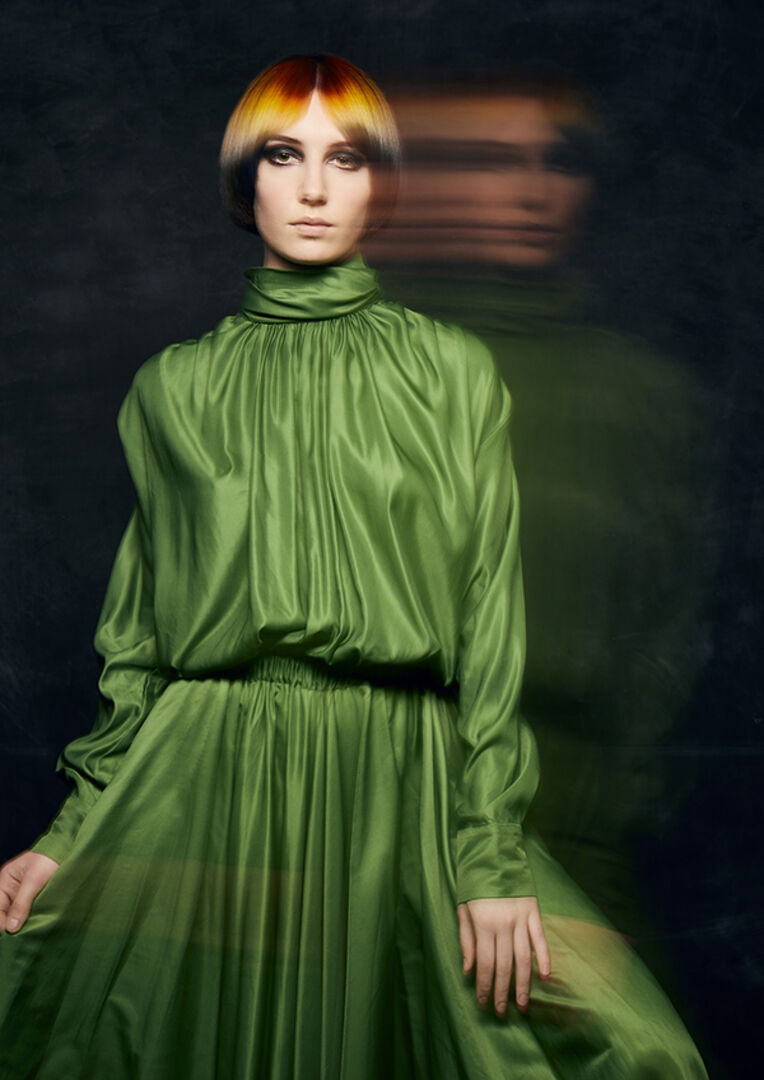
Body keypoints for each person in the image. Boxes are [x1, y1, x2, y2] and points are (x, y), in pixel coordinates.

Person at [0, 55, 707, 1078]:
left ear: (381, 185)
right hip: (202, 774)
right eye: (284, 155)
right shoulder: (172, 387)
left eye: (347, 158)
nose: (314, 188)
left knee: (632, 1051)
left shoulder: (451, 371)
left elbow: (487, 623)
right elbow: (138, 642)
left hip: (404, 778)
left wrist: (488, 859)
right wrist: (69, 834)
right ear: (245, 181)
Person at [369, 71, 719, 939]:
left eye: (560, 161)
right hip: (366, 813)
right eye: (492, 160)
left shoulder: (646, 396)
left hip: (574, 828)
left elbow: (669, 630)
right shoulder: (346, 371)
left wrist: (615, 811)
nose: (531, 191)